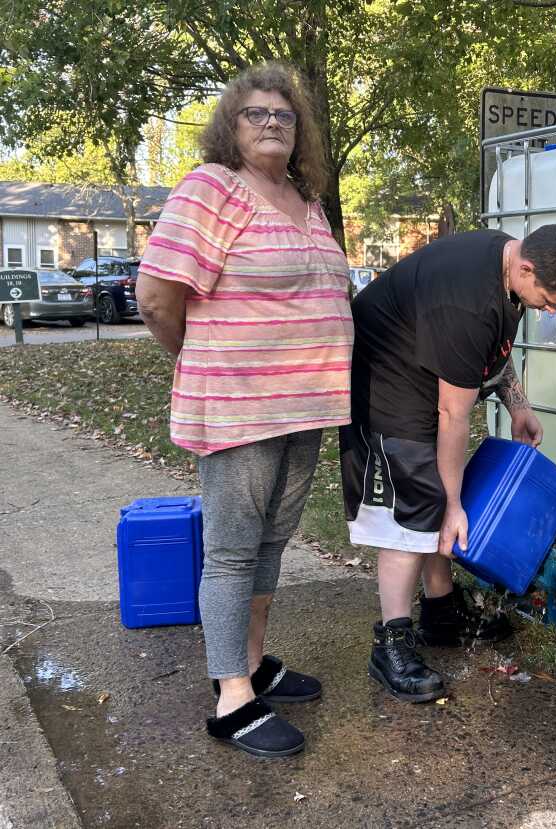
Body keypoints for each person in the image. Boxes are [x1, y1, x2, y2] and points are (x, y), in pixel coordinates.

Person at [136, 62, 353, 757]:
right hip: (240, 404)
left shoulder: (305, 198)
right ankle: (231, 696)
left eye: (283, 116)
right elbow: (155, 297)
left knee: (268, 544)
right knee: (231, 551)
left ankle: (253, 664)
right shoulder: (212, 189)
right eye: (255, 114)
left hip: (304, 405)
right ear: (232, 125)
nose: (271, 124)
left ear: (300, 132)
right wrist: (201, 357)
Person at [340, 224, 556, 702]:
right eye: (550, 298)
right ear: (527, 267)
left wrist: (518, 403)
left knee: (435, 493)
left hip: (423, 373)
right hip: (384, 383)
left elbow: (495, 349)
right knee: (413, 512)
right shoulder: (466, 302)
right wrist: (454, 504)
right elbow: (453, 414)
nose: (553, 309)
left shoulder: (508, 268)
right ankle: (390, 646)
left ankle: (441, 612)